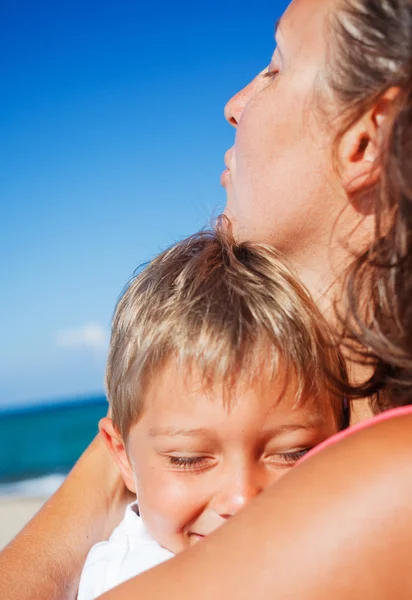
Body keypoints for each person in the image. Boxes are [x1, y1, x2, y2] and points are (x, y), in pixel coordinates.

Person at [2, 0, 412, 598]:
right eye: (194, 457)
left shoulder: (390, 480)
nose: (234, 104)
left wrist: (150, 451)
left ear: (366, 141)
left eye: (275, 67)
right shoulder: (354, 428)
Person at [78, 227, 345, 599]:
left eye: (293, 453)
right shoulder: (128, 579)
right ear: (123, 457)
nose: (241, 499)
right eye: (188, 459)